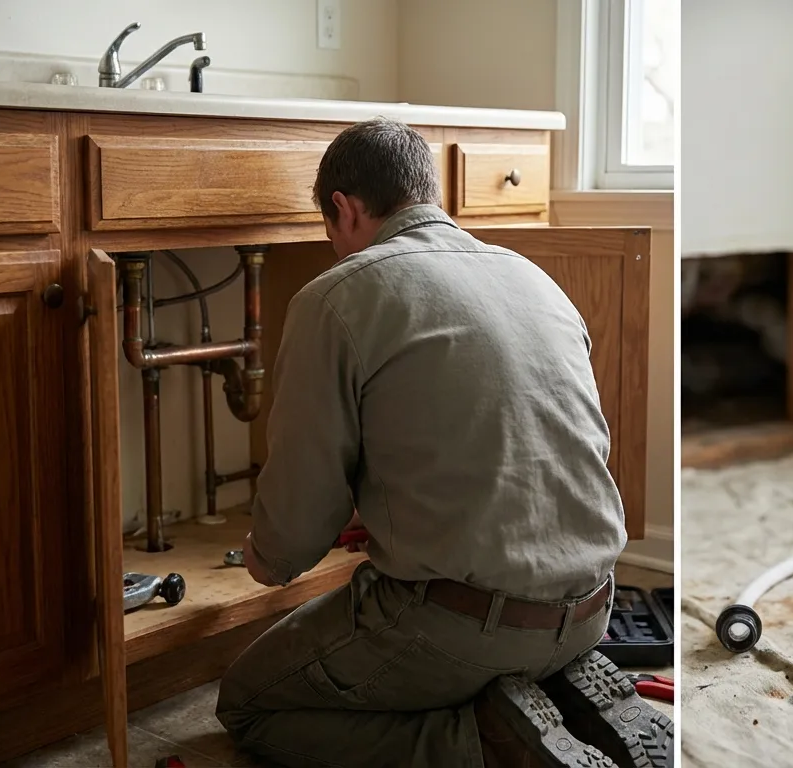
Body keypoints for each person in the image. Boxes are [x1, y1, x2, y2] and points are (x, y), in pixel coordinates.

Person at [215, 117, 672, 768]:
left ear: (343, 209)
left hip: (462, 627)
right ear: (428, 195)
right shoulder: (533, 279)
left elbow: (297, 522)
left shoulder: (337, 296)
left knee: (250, 703)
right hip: (593, 604)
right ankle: (557, 693)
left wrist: (267, 558)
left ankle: (480, 744)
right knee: (459, 651)